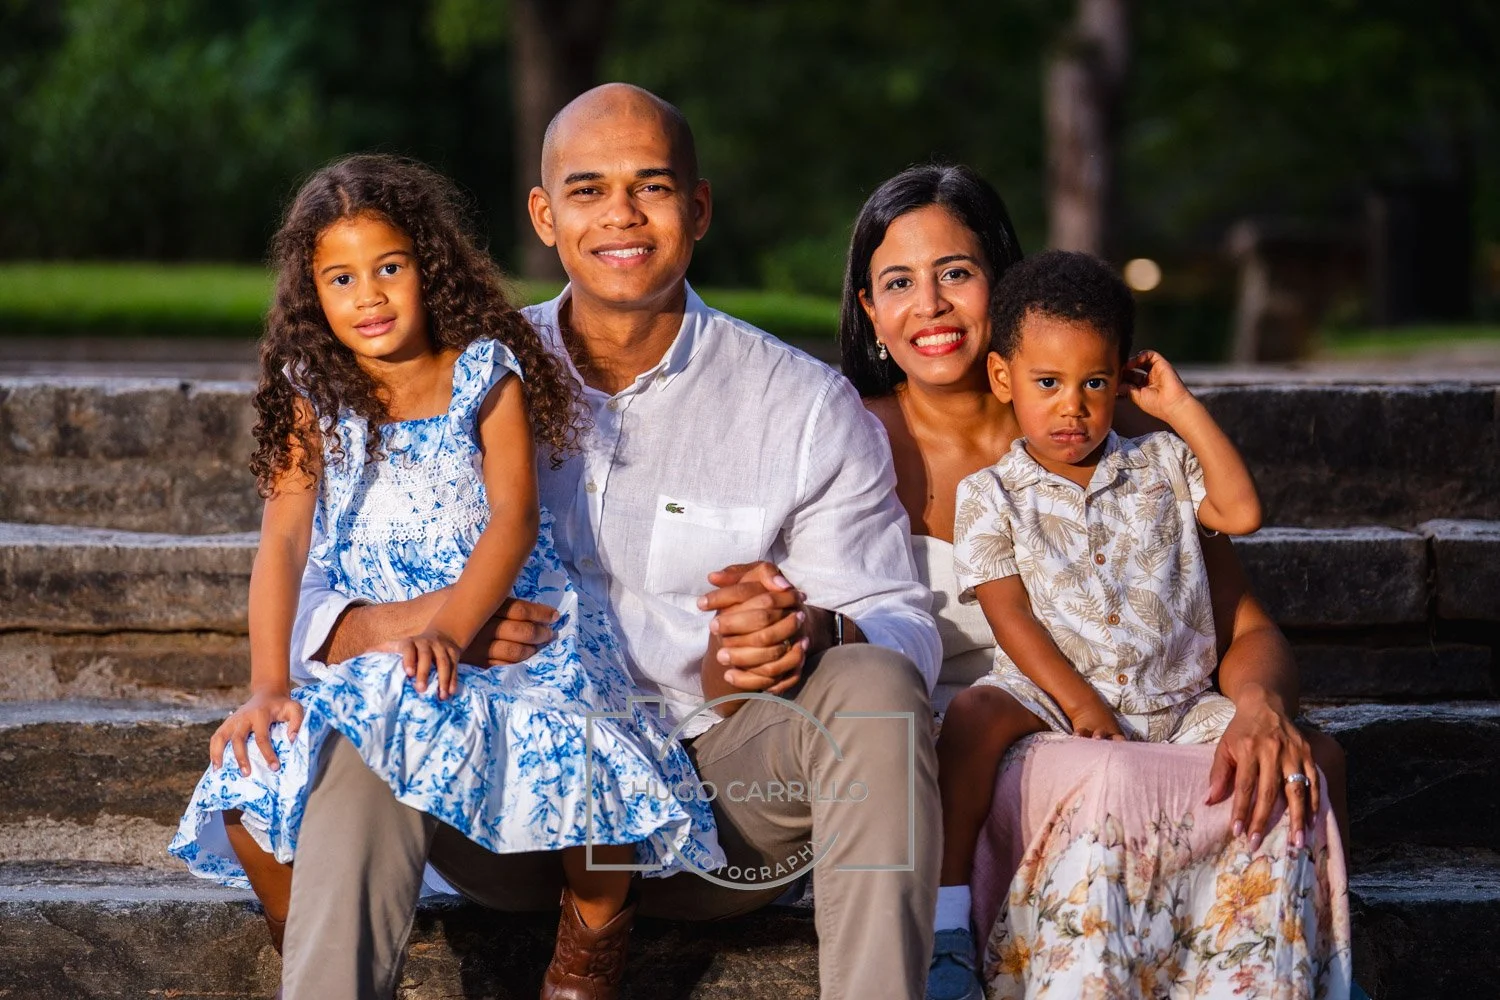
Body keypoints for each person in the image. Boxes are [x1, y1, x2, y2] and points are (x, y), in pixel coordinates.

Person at [279, 85, 943, 1000]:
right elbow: (305, 595)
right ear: (545, 217)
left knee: (876, 690)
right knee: (373, 716)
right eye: (588, 190)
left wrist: (812, 631)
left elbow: (903, 623)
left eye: (654, 187)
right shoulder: (452, 378)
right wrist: (418, 623)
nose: (622, 216)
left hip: (719, 806)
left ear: (698, 208)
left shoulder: (800, 405)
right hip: (509, 795)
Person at [167, 153, 721, 999]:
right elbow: (283, 541)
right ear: (312, 293)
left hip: (514, 626)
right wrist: (268, 681)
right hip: (381, 650)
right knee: (248, 790)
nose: (370, 295)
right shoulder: (312, 391)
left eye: (390, 268)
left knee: (587, 766)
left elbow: (515, 519)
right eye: (341, 277)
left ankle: (589, 948)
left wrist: (451, 631)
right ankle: (311, 938)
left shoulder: (481, 372)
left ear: (429, 268)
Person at [840, 165, 1351, 1000]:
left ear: (1001, 285)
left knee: (1306, 763)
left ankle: (1294, 962)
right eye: (899, 282)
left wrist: (1260, 708)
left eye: (957, 274)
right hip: (980, 738)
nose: (928, 305)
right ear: (869, 308)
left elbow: (1243, 623)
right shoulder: (836, 436)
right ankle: (955, 937)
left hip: (1140, 709)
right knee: (1091, 771)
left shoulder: (1118, 437)